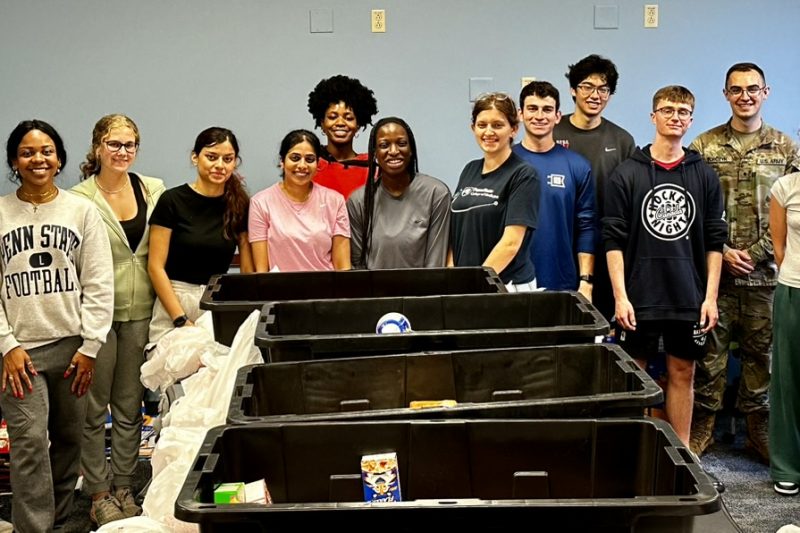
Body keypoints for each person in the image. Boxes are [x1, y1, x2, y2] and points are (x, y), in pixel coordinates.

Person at [0, 120, 113, 532]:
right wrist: (6, 346)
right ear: (15, 160)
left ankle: (61, 522)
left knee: (69, 441)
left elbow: (99, 283)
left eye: (46, 151)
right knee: (29, 443)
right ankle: (34, 529)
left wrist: (91, 346)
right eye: (28, 152)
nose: (38, 159)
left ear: (59, 158)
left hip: (72, 349)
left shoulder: (82, 211)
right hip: (19, 353)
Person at [689, 62, 800, 461]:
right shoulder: (703, 147)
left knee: (762, 355)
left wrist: (753, 255)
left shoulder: (786, 149)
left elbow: (792, 211)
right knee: (709, 355)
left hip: (766, 277)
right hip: (715, 276)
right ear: (726, 95)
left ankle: (758, 429)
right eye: (736, 90)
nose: (745, 96)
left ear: (766, 92)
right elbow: (695, 209)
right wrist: (722, 252)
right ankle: (703, 426)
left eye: (753, 89)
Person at [604, 86, 727, 446]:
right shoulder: (627, 173)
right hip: (638, 295)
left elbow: (715, 241)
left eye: (683, 111)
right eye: (668, 110)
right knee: (634, 376)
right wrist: (620, 298)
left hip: (688, 295)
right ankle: (637, 453)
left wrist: (711, 298)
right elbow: (613, 241)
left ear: (691, 119)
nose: (675, 117)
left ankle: (683, 456)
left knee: (682, 371)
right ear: (653, 116)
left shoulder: (704, 175)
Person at [70, 114, 165, 525]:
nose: (122, 152)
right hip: (95, 318)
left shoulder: (154, 190)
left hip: (141, 311)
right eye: (114, 144)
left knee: (128, 407)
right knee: (93, 409)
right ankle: (98, 492)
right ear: (97, 148)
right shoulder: (77, 198)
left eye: (130, 145)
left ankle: (125, 484)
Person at [147, 127, 253, 345]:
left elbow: (248, 270)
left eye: (228, 159)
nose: (219, 166)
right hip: (175, 302)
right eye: (211, 157)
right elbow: (155, 267)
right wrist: (180, 320)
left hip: (216, 304)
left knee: (220, 371)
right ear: (195, 157)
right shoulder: (172, 200)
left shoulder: (239, 205)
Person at [554, 54, 636, 318]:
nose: (594, 95)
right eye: (587, 87)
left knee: (598, 323)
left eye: (603, 89)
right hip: (559, 244)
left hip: (604, 249)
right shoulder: (552, 132)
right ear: (573, 90)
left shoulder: (622, 140)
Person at [449, 92, 539, 291]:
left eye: (497, 125)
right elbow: (455, 233)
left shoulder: (524, 175)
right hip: (465, 286)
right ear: (473, 128)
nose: (488, 132)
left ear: (514, 129)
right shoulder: (469, 169)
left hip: (504, 286)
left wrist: (478, 282)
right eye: (482, 125)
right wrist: (452, 276)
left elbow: (511, 243)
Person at [512, 81, 595, 298]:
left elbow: (586, 226)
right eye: (532, 108)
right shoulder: (503, 161)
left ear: (558, 116)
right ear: (520, 114)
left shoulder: (577, 166)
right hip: (511, 283)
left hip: (561, 283)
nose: (539, 116)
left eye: (547, 109)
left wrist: (586, 282)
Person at [348, 117, 451, 269]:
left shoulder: (436, 194)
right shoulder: (358, 201)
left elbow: (435, 264)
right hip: (374, 292)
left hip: (424, 291)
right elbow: (358, 265)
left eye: (401, 144)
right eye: (384, 145)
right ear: (374, 153)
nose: (394, 151)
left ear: (411, 150)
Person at [249, 129, 351, 272]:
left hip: (326, 290)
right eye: (295, 158)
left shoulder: (335, 201)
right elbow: (261, 270)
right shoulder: (260, 203)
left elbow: (343, 267)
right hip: (279, 291)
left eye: (309, 159)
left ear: (317, 164)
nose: (302, 165)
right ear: (282, 162)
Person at [769, 171, 800, 496]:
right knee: (787, 380)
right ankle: (787, 466)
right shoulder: (786, 186)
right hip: (794, 290)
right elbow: (779, 249)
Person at [307, 74, 378, 199]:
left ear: (358, 125)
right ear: (322, 123)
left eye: (349, 118)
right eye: (332, 117)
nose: (340, 123)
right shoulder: (309, 164)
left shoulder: (372, 170)